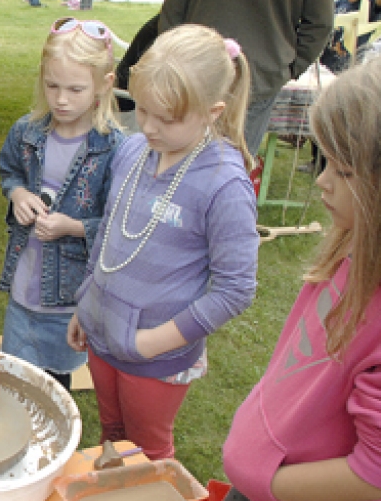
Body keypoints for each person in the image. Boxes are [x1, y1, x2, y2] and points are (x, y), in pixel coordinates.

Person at [173, 42, 381, 501]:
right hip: (277, 471)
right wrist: (264, 467)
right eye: (324, 160)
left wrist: (271, 481)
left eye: (342, 169)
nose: (321, 183)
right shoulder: (367, 238)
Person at [67, 25, 260, 461]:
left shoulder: (223, 185)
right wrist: (86, 301)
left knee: (148, 450)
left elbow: (236, 289)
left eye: (167, 119)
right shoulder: (134, 152)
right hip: (102, 331)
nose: (148, 127)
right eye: (143, 110)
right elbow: (110, 229)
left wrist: (152, 343)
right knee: (112, 433)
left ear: (213, 111)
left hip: (156, 356)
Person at [0, 19, 122, 391]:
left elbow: (119, 222)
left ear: (105, 84)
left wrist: (73, 227)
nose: (62, 99)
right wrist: (17, 194)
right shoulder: (27, 131)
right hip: (24, 287)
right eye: (52, 86)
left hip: (69, 302)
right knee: (15, 380)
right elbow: (10, 170)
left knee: (53, 385)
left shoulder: (114, 148)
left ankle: (48, 445)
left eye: (75, 89)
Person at [159, 0, 333, 157]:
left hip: (202, 69)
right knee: (232, 165)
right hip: (251, 73)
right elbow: (321, 23)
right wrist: (287, 68)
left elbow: (172, 13)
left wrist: (290, 68)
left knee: (184, 161)